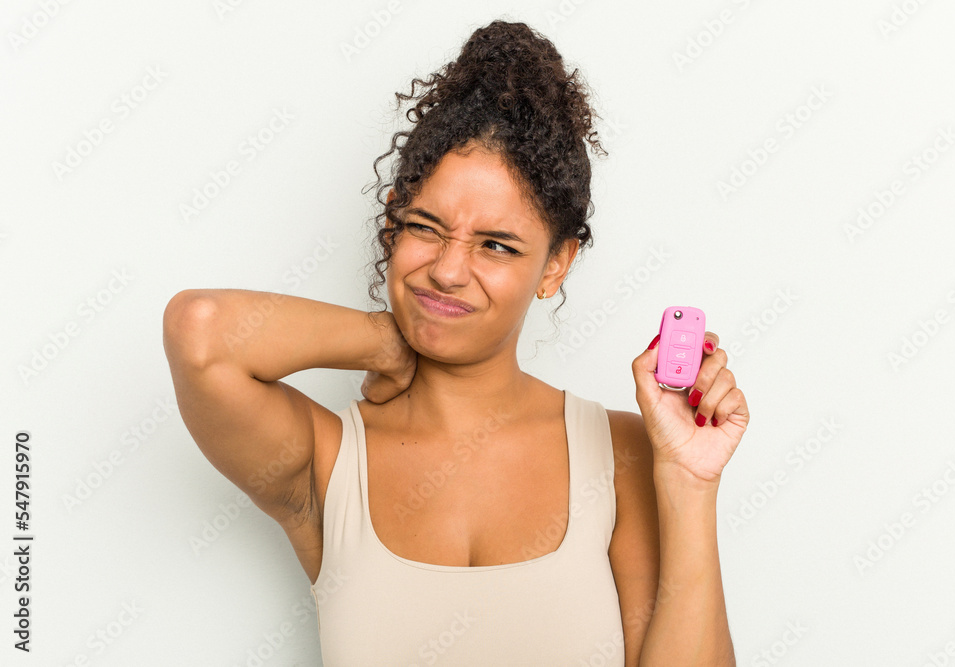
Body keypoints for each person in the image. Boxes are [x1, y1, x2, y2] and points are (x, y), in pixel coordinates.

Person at [162, 19, 748, 666]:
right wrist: (384, 343)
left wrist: (691, 482)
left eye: (496, 245)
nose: (446, 269)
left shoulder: (622, 453)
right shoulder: (325, 462)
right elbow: (202, 329)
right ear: (391, 223)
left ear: (556, 264)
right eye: (424, 226)